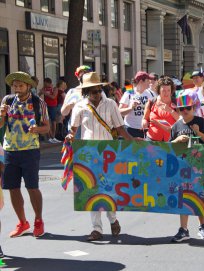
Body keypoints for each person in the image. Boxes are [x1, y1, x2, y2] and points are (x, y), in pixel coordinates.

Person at [66, 72, 134, 241]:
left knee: (107, 189)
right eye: (92, 91)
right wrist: (69, 137)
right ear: (86, 92)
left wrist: (134, 143)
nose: (96, 94)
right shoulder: (79, 106)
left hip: (108, 152)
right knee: (91, 191)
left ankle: (113, 219)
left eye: (98, 90)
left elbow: (120, 128)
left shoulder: (111, 104)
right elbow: (73, 130)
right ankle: (96, 229)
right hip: (88, 152)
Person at [0, 71, 50, 238]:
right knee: (13, 188)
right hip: (10, 151)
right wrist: (2, 115)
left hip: (30, 150)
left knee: (32, 187)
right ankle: (22, 222)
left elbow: (47, 127)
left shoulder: (38, 103)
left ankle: (38, 220)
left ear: (28, 86)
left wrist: (37, 129)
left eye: (20, 85)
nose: (17, 88)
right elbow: (1, 125)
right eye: (15, 85)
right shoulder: (7, 101)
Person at [170, 94, 204, 242]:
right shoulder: (176, 126)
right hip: (182, 166)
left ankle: (202, 226)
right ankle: (183, 228)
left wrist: (198, 132)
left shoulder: (201, 122)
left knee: (200, 195)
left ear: (193, 108)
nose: (185, 111)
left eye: (188, 108)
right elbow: (170, 148)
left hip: (199, 165)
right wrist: (176, 140)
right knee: (183, 196)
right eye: (181, 109)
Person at [119, 71, 155, 138]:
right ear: (141, 81)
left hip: (146, 129)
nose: (149, 82)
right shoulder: (129, 92)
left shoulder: (151, 93)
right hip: (130, 130)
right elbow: (120, 112)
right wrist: (131, 108)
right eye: (147, 80)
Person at [142, 77, 179, 141]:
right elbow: (145, 118)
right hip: (152, 139)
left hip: (171, 140)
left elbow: (181, 120)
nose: (166, 93)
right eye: (163, 90)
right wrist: (144, 123)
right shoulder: (151, 102)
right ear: (159, 90)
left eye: (168, 90)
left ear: (171, 90)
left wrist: (170, 110)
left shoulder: (177, 103)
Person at [61, 65, 93, 138]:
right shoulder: (72, 92)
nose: (84, 77)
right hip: (76, 127)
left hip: (92, 126)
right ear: (78, 76)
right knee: (77, 148)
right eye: (81, 74)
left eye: (86, 74)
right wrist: (69, 105)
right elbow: (63, 112)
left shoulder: (97, 91)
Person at [40, 78, 60, 143]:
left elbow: (53, 97)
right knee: (47, 121)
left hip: (53, 106)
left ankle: (53, 136)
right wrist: (42, 91)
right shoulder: (44, 88)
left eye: (45, 83)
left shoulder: (55, 88)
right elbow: (38, 94)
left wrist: (45, 93)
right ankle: (50, 137)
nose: (44, 84)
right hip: (46, 106)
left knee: (53, 121)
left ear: (48, 83)